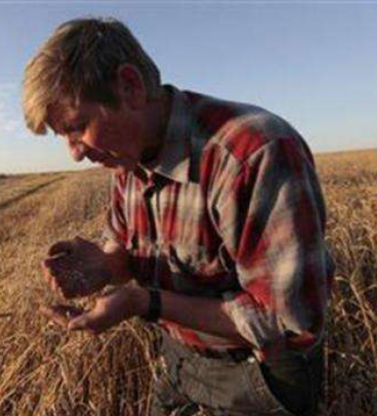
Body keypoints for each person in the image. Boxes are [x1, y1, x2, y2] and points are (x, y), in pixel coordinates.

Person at [22, 17, 334, 416]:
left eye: (78, 127)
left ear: (130, 87)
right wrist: (106, 265)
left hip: (261, 374)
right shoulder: (126, 159)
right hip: (180, 357)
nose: (75, 153)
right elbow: (127, 251)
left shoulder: (253, 153)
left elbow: (286, 321)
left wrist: (143, 302)